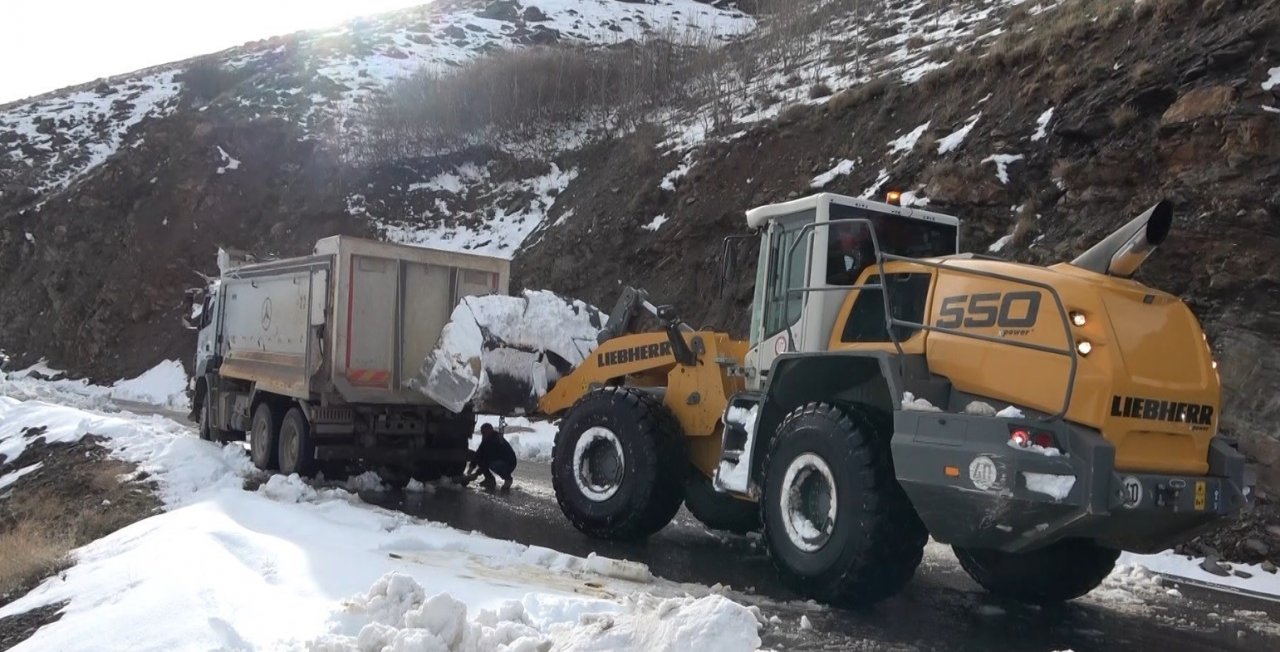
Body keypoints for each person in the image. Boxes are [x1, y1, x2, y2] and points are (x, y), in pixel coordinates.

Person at [464, 423, 517, 492]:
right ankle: (489, 479)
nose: (483, 434)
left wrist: (476, 474)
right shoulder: (486, 440)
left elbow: (488, 459)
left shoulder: (495, 439)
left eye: (485, 432)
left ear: (490, 431)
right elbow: (479, 453)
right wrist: (471, 467)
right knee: (481, 459)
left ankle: (508, 479)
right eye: (482, 433)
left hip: (508, 462)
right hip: (498, 460)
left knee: (491, 464)